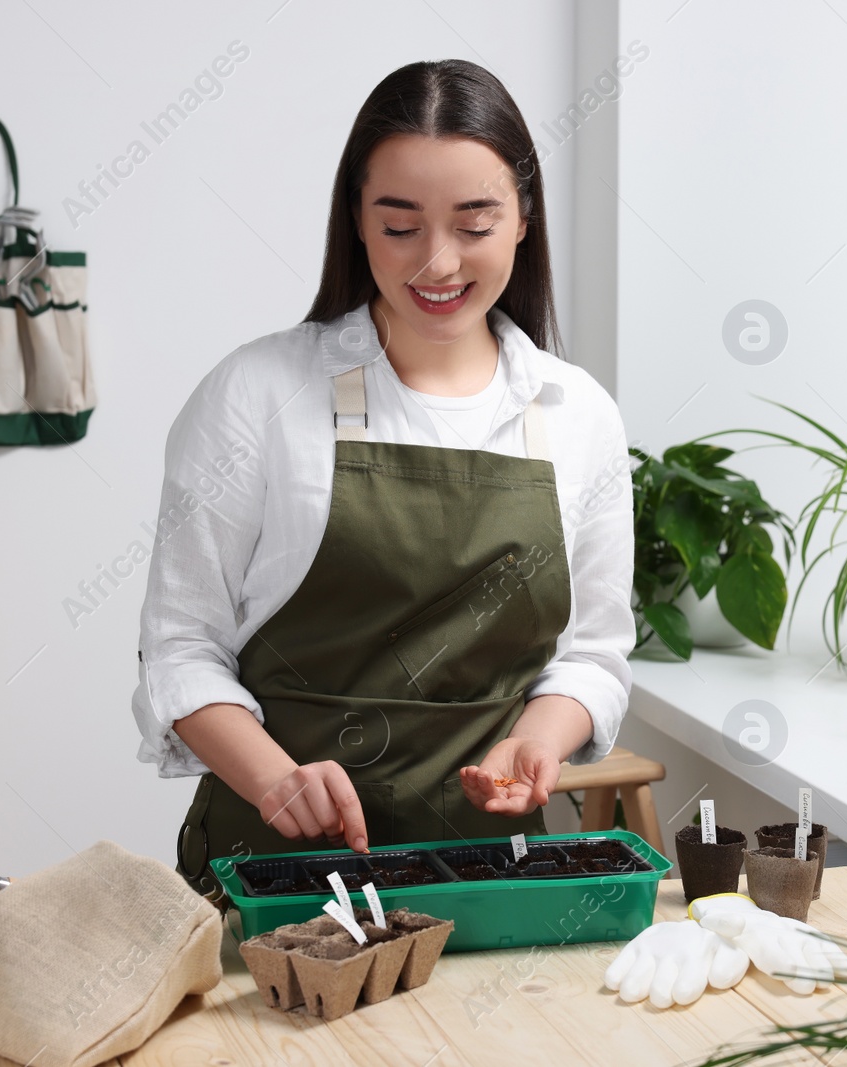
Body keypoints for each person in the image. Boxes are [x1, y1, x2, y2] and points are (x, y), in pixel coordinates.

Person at [130, 59, 635, 902]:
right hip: (275, 884)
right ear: (357, 223)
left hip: (493, 883)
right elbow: (179, 649)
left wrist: (538, 740)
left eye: (474, 224)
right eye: (400, 226)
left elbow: (593, 652)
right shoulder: (256, 396)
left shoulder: (578, 413)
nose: (438, 263)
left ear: (522, 219)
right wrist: (275, 780)